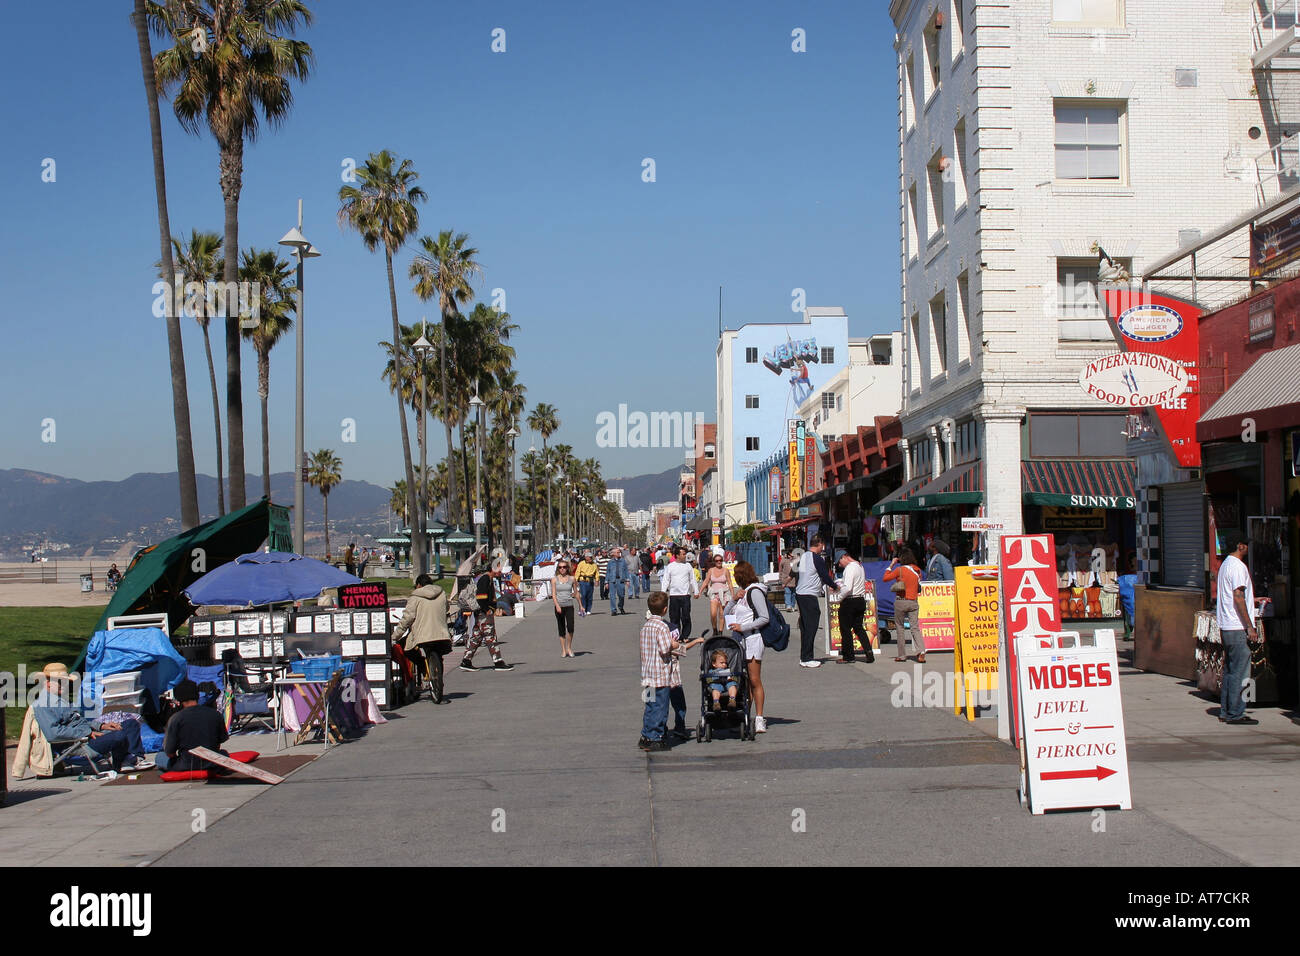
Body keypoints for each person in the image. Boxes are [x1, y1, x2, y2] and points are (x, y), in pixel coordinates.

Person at [20, 664, 154, 775]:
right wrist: (86, 733)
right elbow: (53, 733)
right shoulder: (42, 705)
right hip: (79, 745)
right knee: (119, 735)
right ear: (48, 684)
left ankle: (134, 758)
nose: (65, 685)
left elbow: (80, 720)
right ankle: (122, 762)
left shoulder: (61, 701)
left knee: (130, 723)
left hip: (88, 737)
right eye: (61, 682)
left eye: (66, 681)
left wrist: (102, 726)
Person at [1216, 536, 1260, 725]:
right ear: (1241, 546)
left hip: (1227, 626)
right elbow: (1238, 597)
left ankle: (1227, 711)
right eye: (1247, 545)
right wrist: (1250, 626)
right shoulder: (1238, 567)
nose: (1248, 549)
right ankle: (1236, 713)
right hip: (1237, 627)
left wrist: (1253, 601)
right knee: (1241, 672)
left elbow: (1238, 596)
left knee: (1230, 671)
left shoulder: (1226, 564)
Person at [391, 573, 454, 704]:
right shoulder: (441, 593)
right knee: (438, 653)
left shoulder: (415, 597)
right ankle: (438, 677)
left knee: (408, 650)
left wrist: (395, 636)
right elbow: (447, 608)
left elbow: (407, 619)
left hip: (422, 635)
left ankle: (424, 668)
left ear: (419, 585)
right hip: (441, 633)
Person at [725, 560, 770, 732]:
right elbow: (727, 613)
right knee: (739, 679)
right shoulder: (742, 593)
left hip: (752, 639)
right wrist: (733, 600)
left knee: (754, 679)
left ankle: (759, 717)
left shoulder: (755, 592)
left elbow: (764, 618)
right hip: (738, 641)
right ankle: (745, 715)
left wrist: (742, 627)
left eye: (736, 575)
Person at [156, 679, 229, 772]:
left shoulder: (176, 718)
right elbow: (221, 740)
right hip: (212, 762)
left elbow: (170, 753)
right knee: (224, 753)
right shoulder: (215, 714)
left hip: (186, 764)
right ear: (197, 695)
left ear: (179, 698)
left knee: (159, 757)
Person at [639, 591, 681, 752]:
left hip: (647, 674)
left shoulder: (646, 626)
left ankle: (646, 734)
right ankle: (656, 736)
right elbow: (664, 649)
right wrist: (674, 645)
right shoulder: (662, 626)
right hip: (660, 676)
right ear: (665, 609)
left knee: (649, 705)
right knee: (660, 706)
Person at [459, 565, 515, 671]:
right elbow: (481, 597)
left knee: (477, 637)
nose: (500, 572)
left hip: (481, 613)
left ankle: (466, 660)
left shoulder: (488, 578)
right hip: (483, 614)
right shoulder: (485, 579)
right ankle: (498, 661)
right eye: (499, 570)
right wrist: (487, 610)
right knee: (491, 636)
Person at [794, 535, 839, 668]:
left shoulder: (804, 556)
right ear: (819, 544)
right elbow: (825, 575)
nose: (822, 548)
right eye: (822, 546)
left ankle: (804, 656)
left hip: (800, 593)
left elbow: (798, 573)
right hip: (809, 594)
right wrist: (835, 586)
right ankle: (807, 657)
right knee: (811, 626)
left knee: (805, 626)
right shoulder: (817, 558)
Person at [884, 548, 924, 662]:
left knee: (900, 628)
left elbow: (885, 578)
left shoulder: (900, 570)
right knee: (915, 628)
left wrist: (891, 564)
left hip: (901, 601)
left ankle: (902, 655)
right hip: (913, 602)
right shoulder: (917, 570)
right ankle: (921, 651)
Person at [836, 550, 874, 663]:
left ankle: (848, 656)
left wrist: (839, 598)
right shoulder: (859, 566)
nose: (839, 565)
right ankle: (869, 652)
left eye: (839, 562)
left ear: (844, 557)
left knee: (845, 629)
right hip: (860, 599)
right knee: (858, 628)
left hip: (850, 600)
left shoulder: (850, 568)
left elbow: (847, 588)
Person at [661, 547, 700, 641]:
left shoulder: (688, 566)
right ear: (677, 555)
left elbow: (692, 579)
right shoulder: (671, 566)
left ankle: (685, 635)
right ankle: (676, 635)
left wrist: (696, 591)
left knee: (686, 616)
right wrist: (663, 592)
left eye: (685, 554)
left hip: (685, 595)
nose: (685, 555)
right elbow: (666, 580)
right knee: (674, 617)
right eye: (683, 554)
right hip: (674, 595)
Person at [552, 559, 577, 657]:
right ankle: (563, 649)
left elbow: (576, 592)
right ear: (558, 569)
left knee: (570, 627)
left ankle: (569, 647)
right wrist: (557, 605)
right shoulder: (554, 579)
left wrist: (581, 605)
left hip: (569, 605)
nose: (562, 569)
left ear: (567, 568)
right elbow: (553, 594)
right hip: (559, 606)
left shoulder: (572, 578)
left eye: (564, 567)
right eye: (560, 567)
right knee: (561, 627)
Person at [704, 553, 732, 634]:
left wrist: (733, 595)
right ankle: (714, 629)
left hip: (724, 594)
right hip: (714, 594)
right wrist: (699, 592)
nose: (719, 562)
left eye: (720, 560)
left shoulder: (726, 570)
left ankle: (720, 632)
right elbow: (706, 581)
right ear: (714, 562)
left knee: (722, 614)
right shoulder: (711, 570)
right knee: (713, 614)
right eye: (717, 561)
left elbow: (729, 583)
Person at [607, 548, 630, 615]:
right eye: (617, 552)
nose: (619, 553)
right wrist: (606, 582)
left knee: (621, 595)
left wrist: (627, 580)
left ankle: (620, 606)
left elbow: (626, 571)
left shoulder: (623, 561)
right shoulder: (610, 562)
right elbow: (608, 572)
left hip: (621, 580)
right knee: (612, 596)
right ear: (613, 554)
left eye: (619, 552)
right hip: (612, 580)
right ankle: (613, 610)